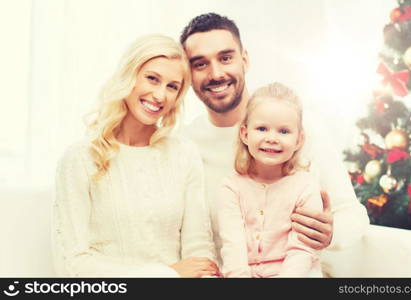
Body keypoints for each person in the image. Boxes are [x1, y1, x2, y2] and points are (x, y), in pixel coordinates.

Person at [179, 13, 369, 273]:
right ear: (188, 73)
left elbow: (354, 215)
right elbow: (193, 243)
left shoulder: (301, 129)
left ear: (244, 59)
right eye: (200, 64)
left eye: (226, 58)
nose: (216, 73)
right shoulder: (186, 146)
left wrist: (331, 232)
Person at [52, 34, 219, 278]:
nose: (160, 95)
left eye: (172, 87)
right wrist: (166, 275)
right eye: (152, 79)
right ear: (129, 76)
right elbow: (72, 265)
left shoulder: (185, 154)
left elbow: (199, 251)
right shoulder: (80, 159)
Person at [218, 82, 323, 277]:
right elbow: (232, 246)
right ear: (245, 133)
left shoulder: (306, 186)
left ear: (298, 140)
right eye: (262, 128)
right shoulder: (231, 186)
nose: (272, 138)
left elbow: (301, 251)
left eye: (283, 131)